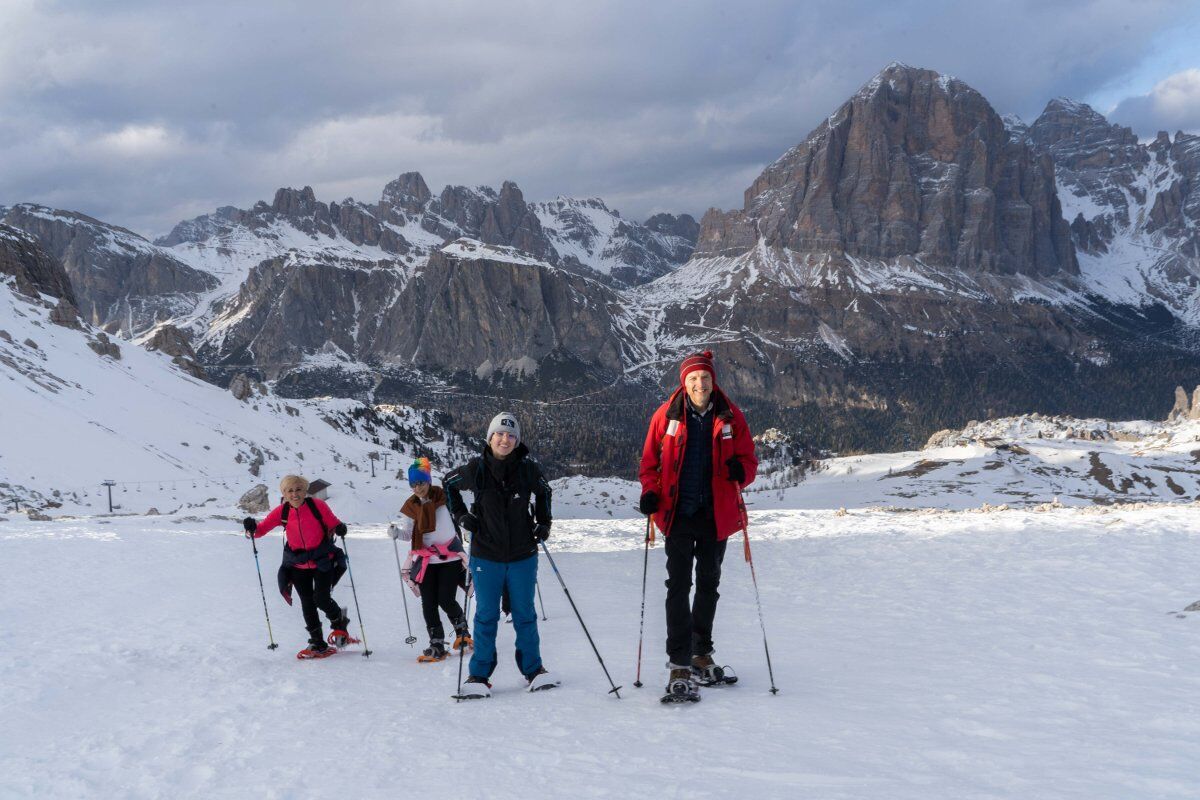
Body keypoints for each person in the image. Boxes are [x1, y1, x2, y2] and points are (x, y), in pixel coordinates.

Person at [638, 351, 757, 700]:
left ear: (712, 380)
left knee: (708, 584)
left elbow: (749, 459)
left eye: (704, 378)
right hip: (677, 515)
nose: (699, 384)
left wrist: (742, 473)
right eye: (693, 379)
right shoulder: (666, 415)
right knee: (678, 586)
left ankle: (700, 652)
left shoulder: (731, 417)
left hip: (715, 516)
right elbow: (649, 464)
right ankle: (678, 660)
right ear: (684, 382)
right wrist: (650, 493)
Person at [445, 412, 555, 697]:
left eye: (511, 435)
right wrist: (461, 516)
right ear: (490, 437)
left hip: (523, 554)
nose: (505, 439)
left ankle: (533, 670)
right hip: (486, 554)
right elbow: (448, 484)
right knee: (485, 616)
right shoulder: (476, 468)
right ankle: (479, 675)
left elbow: (544, 491)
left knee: (524, 615)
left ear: (517, 441)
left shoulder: (528, 469)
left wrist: (544, 522)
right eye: (499, 434)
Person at [243, 475, 357, 659]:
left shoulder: (318, 506)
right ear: (284, 494)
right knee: (307, 603)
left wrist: (340, 528)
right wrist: (250, 528)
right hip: (297, 564)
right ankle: (317, 642)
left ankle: (339, 621)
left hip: (322, 559)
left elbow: (333, 523)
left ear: (305, 491)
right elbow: (260, 531)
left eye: (298, 489)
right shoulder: (282, 512)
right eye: (290, 491)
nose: (294, 494)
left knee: (321, 598)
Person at [388, 457, 471, 663]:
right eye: (413, 484)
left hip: (449, 558)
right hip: (426, 561)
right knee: (428, 604)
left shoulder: (443, 497)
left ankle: (462, 633)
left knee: (445, 599)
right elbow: (409, 533)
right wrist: (396, 533)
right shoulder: (411, 506)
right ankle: (436, 643)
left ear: (428, 481)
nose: (417, 488)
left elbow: (459, 514)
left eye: (421, 483)